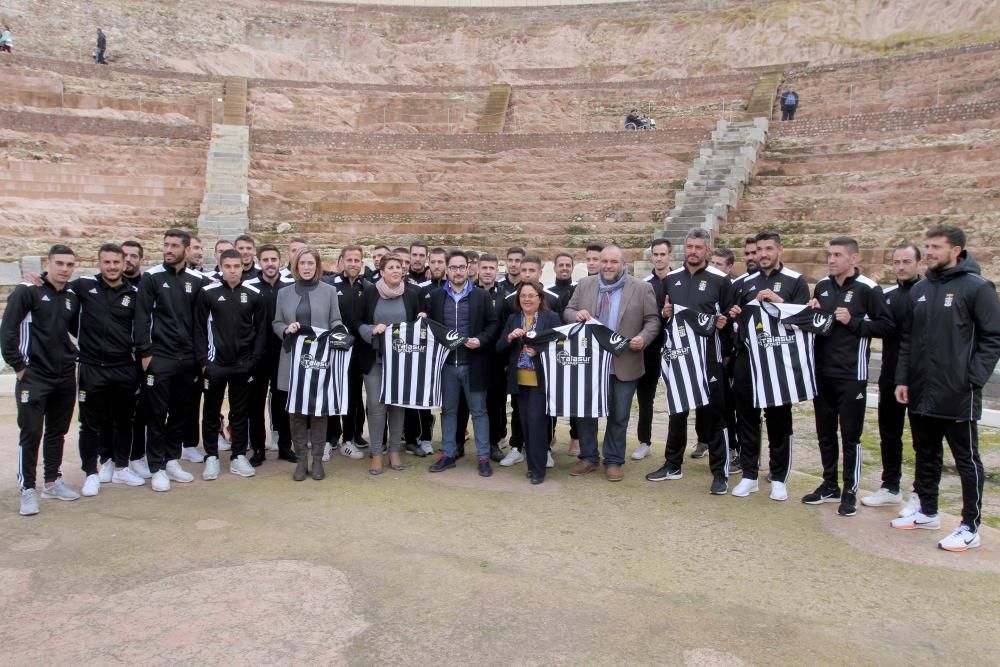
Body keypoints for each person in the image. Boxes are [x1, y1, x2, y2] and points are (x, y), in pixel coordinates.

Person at [892, 225, 1000, 551]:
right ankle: (927, 510)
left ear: (956, 250)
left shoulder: (978, 287)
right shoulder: (921, 289)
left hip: (957, 392)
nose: (929, 252)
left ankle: (970, 526)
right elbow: (908, 340)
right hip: (921, 389)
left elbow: (992, 338)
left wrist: (972, 380)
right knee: (925, 453)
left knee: (966, 460)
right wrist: (902, 378)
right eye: (927, 246)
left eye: (936, 247)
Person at [803, 236, 893, 516]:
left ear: (854, 259)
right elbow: (818, 325)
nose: (831, 259)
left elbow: (886, 327)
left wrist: (853, 322)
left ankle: (850, 489)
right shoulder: (823, 286)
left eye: (838, 255)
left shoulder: (869, 289)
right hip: (822, 372)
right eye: (829, 254)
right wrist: (812, 313)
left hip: (852, 374)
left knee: (850, 436)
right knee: (825, 433)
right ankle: (829, 484)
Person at [646, 229, 734, 494]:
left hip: (708, 358)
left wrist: (724, 323)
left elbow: (730, 316)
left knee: (714, 415)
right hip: (679, 357)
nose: (693, 251)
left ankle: (720, 472)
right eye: (690, 246)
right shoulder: (671, 279)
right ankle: (672, 464)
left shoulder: (721, 280)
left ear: (707, 250)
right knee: (677, 412)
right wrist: (665, 312)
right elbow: (664, 315)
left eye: (698, 247)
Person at [564, 244, 660, 481]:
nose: (607, 266)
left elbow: (653, 321)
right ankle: (588, 457)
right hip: (590, 363)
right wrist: (575, 316)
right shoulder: (585, 284)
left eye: (613, 262)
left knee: (619, 414)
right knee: (586, 413)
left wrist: (643, 338)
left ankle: (614, 460)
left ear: (622, 264)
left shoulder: (642, 288)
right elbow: (568, 309)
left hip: (624, 362)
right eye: (604, 261)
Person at [727, 231, 810, 501]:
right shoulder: (743, 283)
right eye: (759, 249)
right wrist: (734, 315)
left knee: (778, 421)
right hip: (747, 360)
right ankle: (750, 475)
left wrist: (780, 304)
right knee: (747, 419)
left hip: (778, 363)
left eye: (768, 249)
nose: (763, 254)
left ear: (779, 250)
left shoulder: (795, 281)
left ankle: (778, 478)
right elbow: (734, 320)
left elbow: (804, 320)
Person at [2, 245, 81, 515]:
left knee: (57, 433)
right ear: (48, 263)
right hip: (34, 377)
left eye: (70, 264)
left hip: (64, 376)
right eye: (59, 263)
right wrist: (20, 367)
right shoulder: (28, 291)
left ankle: (52, 481)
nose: (64, 269)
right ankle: (27, 489)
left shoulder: (71, 295)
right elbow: (8, 331)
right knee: (31, 433)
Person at [134, 229, 210, 492]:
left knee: (181, 413)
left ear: (186, 250)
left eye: (174, 245)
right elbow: (141, 318)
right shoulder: (151, 278)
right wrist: (146, 354)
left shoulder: (197, 280)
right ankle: (156, 467)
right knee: (156, 414)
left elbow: (201, 324)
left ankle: (172, 460)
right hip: (160, 358)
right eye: (166, 244)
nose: (169, 249)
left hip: (187, 360)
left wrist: (200, 358)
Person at [73, 244, 145, 497]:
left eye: (117, 262)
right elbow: (56, 290)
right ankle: (92, 472)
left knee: (124, 420)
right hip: (92, 367)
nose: (112, 267)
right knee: (90, 424)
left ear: (124, 263)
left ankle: (122, 467)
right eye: (107, 262)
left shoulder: (134, 293)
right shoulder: (83, 286)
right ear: (99, 263)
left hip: (124, 367)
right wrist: (35, 278)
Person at [195, 249, 268, 481]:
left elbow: (261, 331)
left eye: (237, 266)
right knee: (211, 411)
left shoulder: (254, 294)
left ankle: (238, 455)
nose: (233, 271)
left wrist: (254, 360)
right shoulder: (208, 293)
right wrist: (204, 362)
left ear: (243, 266)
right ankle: (212, 457)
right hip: (216, 364)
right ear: (221, 266)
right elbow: (198, 329)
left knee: (240, 412)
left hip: (243, 365)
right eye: (228, 266)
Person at [426, 250, 500, 476]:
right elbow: (431, 327)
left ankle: (483, 456)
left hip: (473, 363)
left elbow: (493, 324)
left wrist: (481, 340)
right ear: (446, 270)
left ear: (468, 269)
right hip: (446, 365)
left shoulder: (481, 296)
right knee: (448, 411)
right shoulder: (437, 296)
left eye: (461, 267)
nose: (457, 271)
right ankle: (448, 453)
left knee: (479, 411)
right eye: (453, 268)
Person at [274, 246, 343, 481]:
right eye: (302, 263)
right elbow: (276, 322)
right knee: (296, 413)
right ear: (296, 266)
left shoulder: (329, 291)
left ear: (317, 266)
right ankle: (301, 460)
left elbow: (335, 319)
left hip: (319, 359)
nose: (306, 267)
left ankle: (317, 459)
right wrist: (286, 329)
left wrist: (338, 332)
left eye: (310, 263)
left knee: (318, 412)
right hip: (292, 360)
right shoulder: (284, 293)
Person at [861, 243, 922, 510]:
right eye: (896, 262)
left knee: (922, 438)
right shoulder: (886, 295)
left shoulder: (926, 294)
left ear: (918, 263)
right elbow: (873, 324)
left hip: (921, 376)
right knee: (889, 433)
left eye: (906, 262)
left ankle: (921, 491)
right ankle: (890, 486)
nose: (900, 267)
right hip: (890, 374)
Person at [357, 253, 425, 474]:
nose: (397, 270)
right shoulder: (369, 293)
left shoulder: (412, 294)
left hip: (402, 360)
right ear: (382, 271)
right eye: (392, 267)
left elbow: (417, 324)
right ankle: (377, 454)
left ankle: (394, 452)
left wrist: (421, 320)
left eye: (399, 267)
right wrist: (370, 330)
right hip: (375, 358)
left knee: (397, 405)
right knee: (377, 407)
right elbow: (356, 321)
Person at [497, 281, 563, 484]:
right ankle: (533, 466)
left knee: (537, 424)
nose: (526, 299)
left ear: (540, 298)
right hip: (519, 382)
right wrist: (509, 337)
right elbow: (499, 348)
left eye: (531, 295)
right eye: (523, 295)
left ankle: (539, 470)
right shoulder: (513, 318)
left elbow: (561, 346)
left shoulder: (550, 317)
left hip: (540, 381)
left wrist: (539, 351)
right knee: (525, 424)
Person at [244, 244, 296, 466]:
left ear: (279, 260)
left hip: (283, 354)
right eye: (265, 260)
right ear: (259, 261)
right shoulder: (250, 287)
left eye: (273, 259)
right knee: (255, 405)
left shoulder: (289, 287)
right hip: (257, 356)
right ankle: (258, 449)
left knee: (282, 402)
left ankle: (285, 446)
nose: (270, 263)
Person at [321, 245, 368, 462]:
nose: (353, 264)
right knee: (331, 394)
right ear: (341, 261)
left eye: (357, 260)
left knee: (352, 397)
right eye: (349, 260)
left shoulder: (367, 287)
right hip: (333, 351)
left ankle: (349, 440)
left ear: (362, 263)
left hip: (357, 353)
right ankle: (331, 439)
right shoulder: (329, 285)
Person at [633, 238, 671, 461]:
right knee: (645, 397)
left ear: (669, 256)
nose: (658, 258)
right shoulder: (644, 284)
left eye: (662, 254)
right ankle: (644, 441)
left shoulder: (679, 281)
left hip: (676, 349)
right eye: (655, 254)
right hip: (651, 349)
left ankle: (694, 443)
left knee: (679, 398)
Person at [476, 253, 510, 462]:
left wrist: (506, 360)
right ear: (478, 269)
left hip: (497, 359)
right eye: (484, 267)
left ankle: (494, 443)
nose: (488, 271)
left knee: (496, 403)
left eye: (491, 268)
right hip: (474, 356)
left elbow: (506, 329)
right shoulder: (470, 293)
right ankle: (460, 441)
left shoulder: (504, 297)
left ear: (497, 270)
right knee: (470, 403)